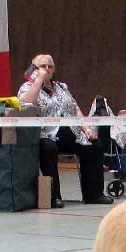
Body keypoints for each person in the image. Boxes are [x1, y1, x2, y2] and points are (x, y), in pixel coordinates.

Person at [18, 54, 113, 208]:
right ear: (35, 69)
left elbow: (75, 109)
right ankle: (54, 196)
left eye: (50, 66)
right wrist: (38, 81)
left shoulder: (62, 87)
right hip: (45, 133)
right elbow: (27, 103)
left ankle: (94, 194)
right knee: (48, 148)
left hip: (70, 131)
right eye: (43, 66)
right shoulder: (27, 87)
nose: (47, 69)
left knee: (95, 146)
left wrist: (87, 129)